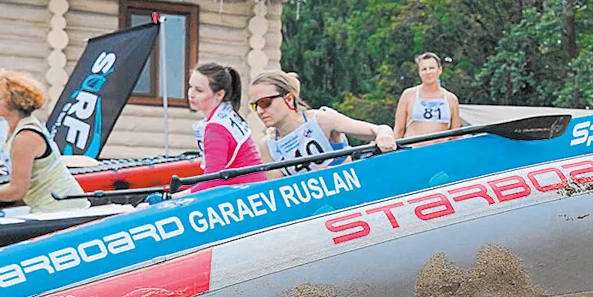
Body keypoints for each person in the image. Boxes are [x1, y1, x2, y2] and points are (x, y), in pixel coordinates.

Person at [0, 70, 92, 213]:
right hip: (51, 206)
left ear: (14, 102)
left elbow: (18, 191)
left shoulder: (25, 136)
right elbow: (8, 146)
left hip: (60, 209)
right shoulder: (18, 126)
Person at [248, 70, 396, 171]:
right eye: (255, 105)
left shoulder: (321, 119)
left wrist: (384, 136)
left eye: (265, 103)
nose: (260, 111)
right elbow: (279, 189)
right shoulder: (268, 144)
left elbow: (378, 129)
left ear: (288, 98)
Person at [185, 62, 265, 190]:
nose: (191, 94)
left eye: (199, 90)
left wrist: (170, 197)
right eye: (190, 87)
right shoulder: (226, 114)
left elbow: (212, 181)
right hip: (251, 187)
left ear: (219, 94)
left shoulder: (215, 128)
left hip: (242, 192)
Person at [394, 53, 464, 139]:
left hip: (440, 150)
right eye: (424, 69)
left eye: (431, 68)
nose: (428, 72)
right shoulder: (408, 95)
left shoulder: (451, 99)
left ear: (439, 70)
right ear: (419, 73)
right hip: (414, 150)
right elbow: (399, 129)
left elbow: (456, 134)